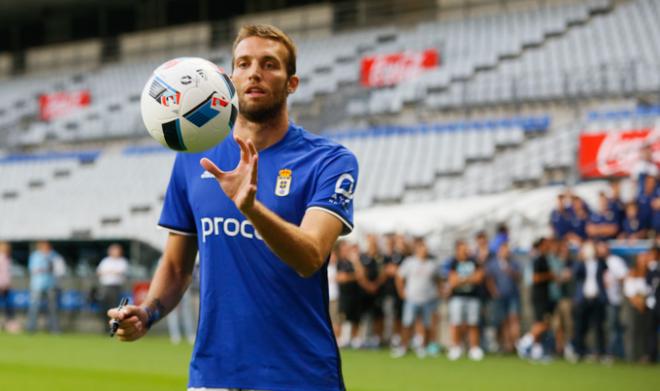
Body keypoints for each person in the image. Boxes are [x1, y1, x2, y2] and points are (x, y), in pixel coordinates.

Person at [108, 24, 358, 391]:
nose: (255, 72)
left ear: (292, 84)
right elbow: (178, 265)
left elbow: (311, 255)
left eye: (270, 64)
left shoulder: (330, 160)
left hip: (300, 374)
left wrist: (251, 207)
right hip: (213, 375)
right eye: (244, 63)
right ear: (229, 79)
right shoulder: (195, 157)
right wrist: (146, 312)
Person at [391, 237, 441, 359]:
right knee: (407, 324)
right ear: (417, 249)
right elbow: (399, 277)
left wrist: (437, 292)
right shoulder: (409, 262)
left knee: (427, 325)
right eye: (422, 247)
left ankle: (424, 348)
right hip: (412, 299)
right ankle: (403, 347)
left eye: (426, 248)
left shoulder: (432, 264)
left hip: (428, 299)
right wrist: (402, 292)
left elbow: (438, 279)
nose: (425, 250)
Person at [446, 240, 485, 361]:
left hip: (473, 297)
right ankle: (456, 347)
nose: (465, 250)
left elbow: (479, 278)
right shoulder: (453, 262)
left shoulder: (474, 261)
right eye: (463, 248)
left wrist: (461, 279)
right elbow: (452, 281)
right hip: (457, 298)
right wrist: (469, 278)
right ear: (457, 249)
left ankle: (474, 348)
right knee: (456, 323)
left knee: (473, 323)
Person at [517, 238, 555, 360]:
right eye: (546, 244)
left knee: (544, 322)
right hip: (539, 296)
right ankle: (523, 342)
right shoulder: (538, 259)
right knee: (542, 323)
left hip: (544, 295)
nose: (549, 246)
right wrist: (550, 276)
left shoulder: (544, 259)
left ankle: (536, 351)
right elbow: (535, 278)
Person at [572, 241, 609, 361]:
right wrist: (580, 258)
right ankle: (579, 352)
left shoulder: (600, 262)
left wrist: (599, 253)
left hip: (597, 298)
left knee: (599, 327)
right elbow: (575, 273)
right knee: (580, 327)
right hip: (583, 298)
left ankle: (601, 352)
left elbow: (606, 268)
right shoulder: (580, 263)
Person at [485, 242, 521, 354]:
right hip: (500, 297)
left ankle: (517, 345)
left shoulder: (513, 263)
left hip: (513, 295)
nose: (506, 252)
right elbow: (489, 279)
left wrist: (511, 272)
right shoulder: (493, 263)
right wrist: (494, 292)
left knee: (514, 319)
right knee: (504, 321)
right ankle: (508, 345)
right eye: (503, 249)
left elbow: (519, 276)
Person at [599, 241, 628, 360]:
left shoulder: (615, 261)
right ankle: (611, 352)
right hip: (601, 299)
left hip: (613, 299)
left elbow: (623, 277)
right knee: (607, 327)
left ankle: (613, 353)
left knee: (613, 327)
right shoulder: (598, 262)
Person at [27, 241, 63, 333]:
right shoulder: (35, 256)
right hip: (37, 285)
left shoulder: (54, 255)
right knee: (34, 307)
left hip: (51, 284)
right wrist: (45, 269)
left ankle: (55, 329)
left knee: (53, 308)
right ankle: (31, 328)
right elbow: (33, 270)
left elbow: (59, 269)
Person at [359, 234, 386, 348]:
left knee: (378, 316)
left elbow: (383, 273)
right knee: (364, 315)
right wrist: (367, 285)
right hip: (364, 292)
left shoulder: (380, 257)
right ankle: (363, 338)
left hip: (378, 292)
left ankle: (376, 339)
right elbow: (360, 273)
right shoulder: (363, 257)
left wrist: (375, 285)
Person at [623, 252, 651, 362]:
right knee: (633, 331)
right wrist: (638, 302)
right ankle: (631, 356)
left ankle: (645, 356)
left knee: (646, 332)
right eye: (642, 259)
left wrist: (644, 302)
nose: (644, 261)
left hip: (647, 306)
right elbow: (629, 291)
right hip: (633, 307)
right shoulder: (631, 273)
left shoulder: (650, 274)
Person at [96, 244, 129, 332]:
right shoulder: (105, 261)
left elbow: (120, 272)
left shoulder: (122, 261)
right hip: (105, 287)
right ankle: (105, 328)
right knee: (105, 308)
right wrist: (111, 272)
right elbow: (99, 272)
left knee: (115, 308)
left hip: (115, 287)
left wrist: (109, 272)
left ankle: (114, 327)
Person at [0, 242, 18, 333]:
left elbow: (7, 274)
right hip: (2, 286)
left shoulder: (7, 259)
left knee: (9, 307)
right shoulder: (1, 258)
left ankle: (9, 325)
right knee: (8, 307)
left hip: (6, 286)